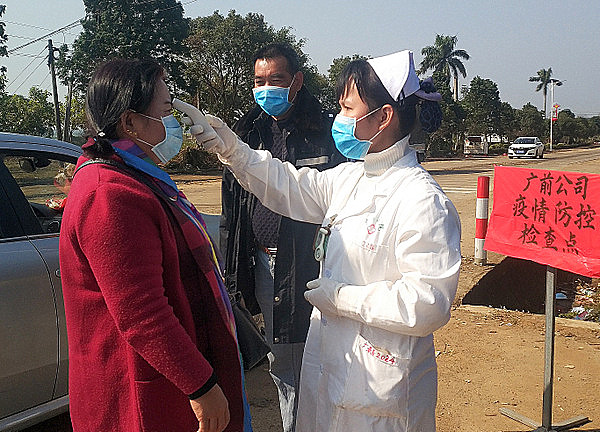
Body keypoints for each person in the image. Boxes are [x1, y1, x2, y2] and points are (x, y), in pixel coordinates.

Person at [194, 50, 461, 431]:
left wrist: (341, 298)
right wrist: (234, 151)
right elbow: (289, 185)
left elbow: (428, 303)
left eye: (348, 109)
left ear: (383, 116)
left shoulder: (422, 200)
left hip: (382, 385)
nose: (339, 119)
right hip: (334, 364)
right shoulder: (352, 178)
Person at [59, 58, 252, 432]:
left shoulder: (136, 177)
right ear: (130, 122)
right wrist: (201, 385)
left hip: (165, 375)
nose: (173, 122)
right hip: (141, 392)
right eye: (166, 111)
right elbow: (142, 313)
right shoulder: (109, 195)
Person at [220, 43, 344, 431]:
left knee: (312, 359)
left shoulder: (325, 133)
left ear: (297, 81)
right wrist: (233, 271)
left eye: (276, 79)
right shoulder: (245, 133)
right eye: (259, 81)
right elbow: (231, 212)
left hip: (309, 264)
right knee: (283, 361)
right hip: (261, 263)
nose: (266, 89)